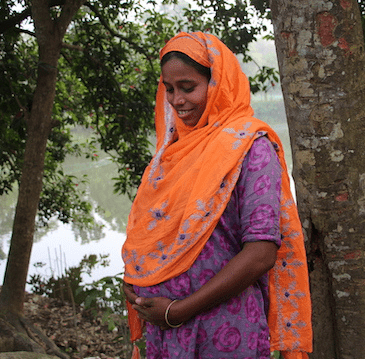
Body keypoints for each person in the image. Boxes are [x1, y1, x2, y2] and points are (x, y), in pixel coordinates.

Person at [122, 32, 312, 359]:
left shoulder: (251, 149)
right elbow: (153, 234)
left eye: (187, 87)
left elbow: (261, 253)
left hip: (225, 333)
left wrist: (181, 310)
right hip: (164, 336)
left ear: (216, 84)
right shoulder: (170, 155)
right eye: (169, 89)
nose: (176, 100)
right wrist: (136, 277)